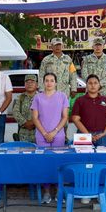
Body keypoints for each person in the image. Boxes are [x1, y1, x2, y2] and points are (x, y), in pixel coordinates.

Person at [31, 72, 70, 203]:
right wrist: (45, 133)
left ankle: (59, 192)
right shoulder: (37, 97)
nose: (49, 83)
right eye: (46, 80)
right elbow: (35, 118)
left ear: (56, 83)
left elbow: (65, 117)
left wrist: (54, 132)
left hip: (58, 135)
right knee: (44, 164)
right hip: (41, 136)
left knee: (59, 163)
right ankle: (46, 192)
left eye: (52, 80)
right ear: (43, 82)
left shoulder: (62, 96)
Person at [72, 75, 106, 147]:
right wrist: (87, 135)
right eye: (90, 83)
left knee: (102, 158)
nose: (93, 85)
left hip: (102, 136)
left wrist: (104, 133)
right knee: (83, 157)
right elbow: (75, 119)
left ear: (99, 85)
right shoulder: (79, 100)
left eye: (95, 83)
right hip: (83, 135)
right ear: (86, 85)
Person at [12, 74, 38, 143]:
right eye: (27, 82)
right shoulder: (20, 97)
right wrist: (25, 123)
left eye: (32, 82)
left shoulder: (41, 98)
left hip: (38, 132)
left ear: (37, 84)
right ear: (25, 84)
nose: (30, 84)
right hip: (23, 133)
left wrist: (34, 123)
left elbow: (45, 112)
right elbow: (15, 112)